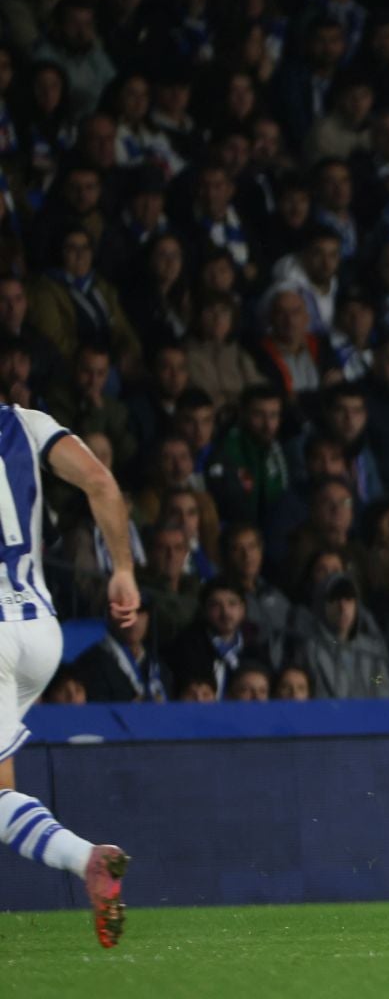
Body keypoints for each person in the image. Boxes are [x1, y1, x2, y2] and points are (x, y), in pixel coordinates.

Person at [0, 404, 137, 945]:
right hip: (38, 631)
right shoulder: (25, 422)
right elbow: (100, 482)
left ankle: (89, 860)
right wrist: (123, 568)